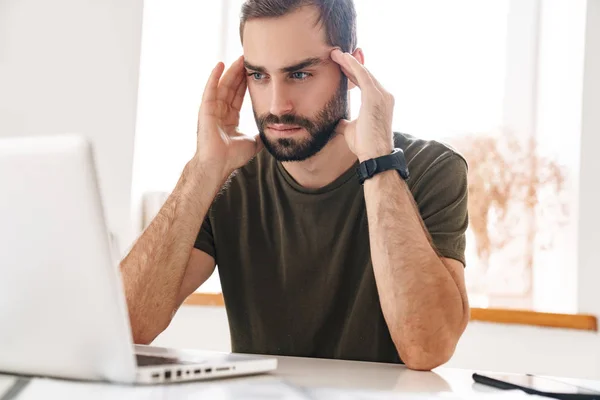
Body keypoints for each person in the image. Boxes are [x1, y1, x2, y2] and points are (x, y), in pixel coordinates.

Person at [120, 0, 470, 371]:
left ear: (352, 70)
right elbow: (126, 327)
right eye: (258, 76)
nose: (277, 105)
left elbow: (428, 348)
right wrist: (202, 169)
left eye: (300, 75)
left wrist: (379, 163)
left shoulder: (431, 168)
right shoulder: (228, 178)